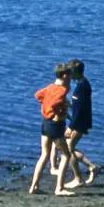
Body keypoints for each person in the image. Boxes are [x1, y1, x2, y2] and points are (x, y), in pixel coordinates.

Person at [30, 63, 74, 196]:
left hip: (45, 123)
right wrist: (55, 112)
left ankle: (34, 186)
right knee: (66, 155)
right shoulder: (62, 90)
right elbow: (55, 103)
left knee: (44, 155)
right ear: (65, 76)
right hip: (56, 125)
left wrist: (47, 106)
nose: (71, 79)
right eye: (70, 76)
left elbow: (38, 95)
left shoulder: (50, 87)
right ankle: (59, 188)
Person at [58, 58, 98, 188]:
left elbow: (81, 109)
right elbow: (78, 105)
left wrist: (71, 126)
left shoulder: (83, 86)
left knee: (68, 149)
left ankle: (78, 178)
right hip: (79, 121)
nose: (69, 75)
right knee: (69, 147)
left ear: (76, 72)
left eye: (71, 72)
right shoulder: (80, 84)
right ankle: (92, 167)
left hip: (80, 122)